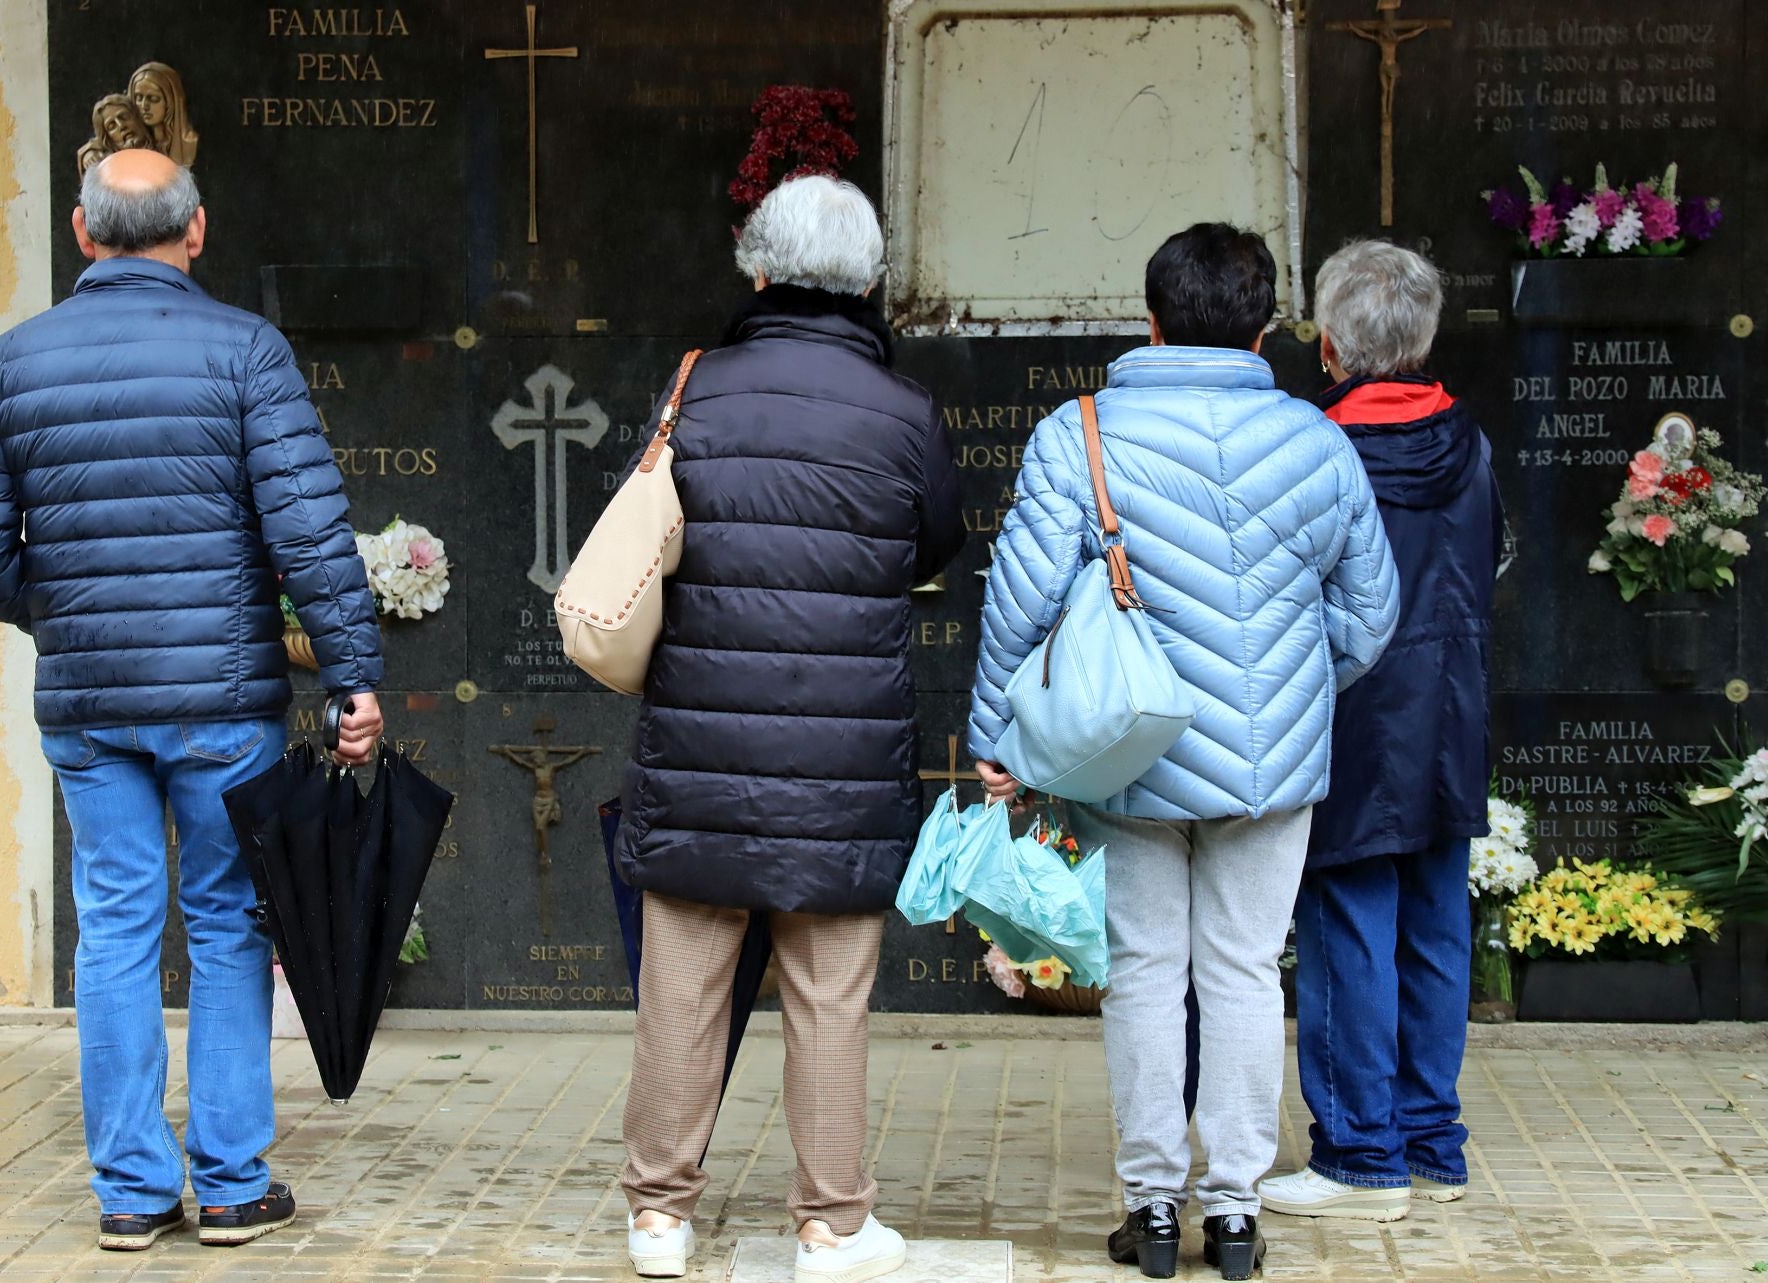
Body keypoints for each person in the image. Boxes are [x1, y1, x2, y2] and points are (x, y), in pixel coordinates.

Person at [0, 149, 382, 1252]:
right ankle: (230, 1182)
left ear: (83, 235)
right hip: (223, 701)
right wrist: (354, 671)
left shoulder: (12, 361)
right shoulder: (246, 352)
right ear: (196, 232)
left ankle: (132, 1190)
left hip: (88, 705)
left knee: (117, 929)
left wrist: (58, 611)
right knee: (229, 925)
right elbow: (309, 532)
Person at [968, 223, 1399, 1281]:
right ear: (1263, 327)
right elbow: (1372, 611)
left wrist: (997, 736)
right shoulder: (1316, 440)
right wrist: (1296, 688)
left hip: (1128, 758)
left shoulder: (1081, 434)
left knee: (1147, 976)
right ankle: (1238, 1213)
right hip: (1273, 760)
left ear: (1150, 319)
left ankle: (1153, 1209)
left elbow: (1018, 600)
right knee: (1249, 972)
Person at [613, 174, 963, 1283]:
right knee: (828, 993)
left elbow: (640, 530)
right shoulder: (903, 410)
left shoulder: (694, 387)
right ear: (867, 281)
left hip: (704, 746)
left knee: (682, 982)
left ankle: (659, 1218)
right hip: (842, 752)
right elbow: (934, 546)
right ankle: (831, 1225)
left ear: (757, 268)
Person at [1259, 240, 1498, 1222]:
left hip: (1353, 713)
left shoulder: (1316, 445)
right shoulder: (1471, 441)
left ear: (1329, 342)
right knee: (1438, 924)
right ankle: (1431, 1135)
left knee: (1348, 922)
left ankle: (1361, 1152)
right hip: (1452, 707)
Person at [128, 62, 199, 167]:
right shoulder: (129, 141)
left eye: (153, 99)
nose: (144, 106)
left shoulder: (188, 143)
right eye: (138, 98)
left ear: (170, 102)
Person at [76, 93, 151, 178]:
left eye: (124, 117)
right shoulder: (109, 169)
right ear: (109, 139)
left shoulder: (163, 140)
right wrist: (88, 153)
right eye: (112, 126)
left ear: (138, 116)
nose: (121, 126)